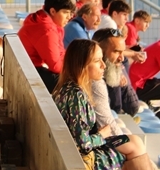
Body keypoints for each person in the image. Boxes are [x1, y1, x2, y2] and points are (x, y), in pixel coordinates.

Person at [53, 39, 149, 170]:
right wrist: (101, 135)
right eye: (97, 61)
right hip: (84, 158)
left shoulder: (67, 88)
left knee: (135, 142)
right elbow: (83, 145)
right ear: (82, 65)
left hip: (78, 150)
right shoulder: (76, 96)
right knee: (136, 147)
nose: (104, 65)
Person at [17, 0, 76, 91]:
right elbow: (55, 66)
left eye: (71, 13)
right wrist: (75, 69)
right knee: (74, 85)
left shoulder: (41, 18)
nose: (69, 17)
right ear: (53, 11)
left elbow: (61, 53)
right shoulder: (47, 29)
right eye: (65, 12)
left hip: (27, 68)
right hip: (28, 73)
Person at [92, 28, 140, 117]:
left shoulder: (114, 70)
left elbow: (133, 107)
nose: (122, 58)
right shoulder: (92, 80)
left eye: (123, 52)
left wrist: (122, 78)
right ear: (100, 51)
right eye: (116, 52)